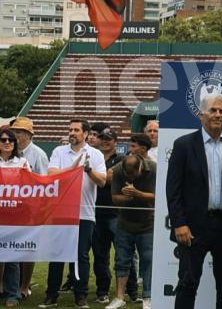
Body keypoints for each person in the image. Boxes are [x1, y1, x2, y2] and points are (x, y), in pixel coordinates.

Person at [166, 94, 222, 309]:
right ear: (201, 115)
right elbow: (173, 190)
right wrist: (179, 223)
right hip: (192, 227)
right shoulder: (183, 145)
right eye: (213, 110)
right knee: (187, 284)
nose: (218, 115)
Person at [39, 120, 107, 309]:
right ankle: (51, 296)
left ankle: (81, 296)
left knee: (80, 256)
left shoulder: (96, 154)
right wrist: (73, 169)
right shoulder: (59, 152)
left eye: (76, 130)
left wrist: (88, 169)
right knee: (57, 254)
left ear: (86, 134)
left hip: (84, 212)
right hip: (60, 212)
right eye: (70, 130)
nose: (72, 133)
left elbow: (102, 182)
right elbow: (52, 175)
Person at [92, 127, 139, 304]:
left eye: (109, 139)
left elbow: (108, 179)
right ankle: (102, 291)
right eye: (102, 138)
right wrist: (100, 176)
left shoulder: (122, 159)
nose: (105, 141)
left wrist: (95, 174)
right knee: (99, 256)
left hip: (116, 214)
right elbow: (103, 177)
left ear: (115, 142)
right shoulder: (94, 158)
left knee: (124, 254)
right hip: (96, 212)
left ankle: (132, 291)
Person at [106, 154, 156, 309]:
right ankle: (119, 297)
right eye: (128, 174)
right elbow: (114, 198)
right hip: (125, 223)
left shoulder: (153, 169)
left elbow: (158, 197)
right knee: (121, 260)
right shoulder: (119, 170)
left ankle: (148, 296)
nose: (131, 177)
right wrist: (128, 197)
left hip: (147, 223)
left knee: (148, 260)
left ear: (140, 167)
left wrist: (137, 194)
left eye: (133, 174)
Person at [8, 117, 48, 300]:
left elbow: (44, 181)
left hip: (31, 209)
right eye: (14, 131)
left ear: (28, 135)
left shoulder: (38, 154)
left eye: (18, 132)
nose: (15, 135)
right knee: (8, 246)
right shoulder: (8, 153)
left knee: (28, 248)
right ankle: (7, 284)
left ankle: (24, 286)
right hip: (10, 209)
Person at [0, 129, 30, 308]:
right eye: (3, 139)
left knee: (12, 256)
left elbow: (31, 187)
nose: (7, 142)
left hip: (15, 215)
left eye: (11, 140)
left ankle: (12, 294)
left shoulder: (23, 162)